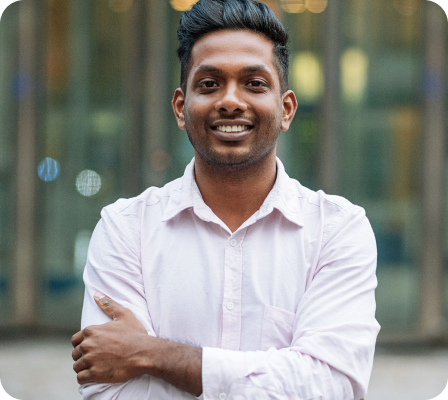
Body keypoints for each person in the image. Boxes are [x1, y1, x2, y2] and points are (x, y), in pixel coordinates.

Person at [71, 0, 380, 399]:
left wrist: (152, 355)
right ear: (181, 108)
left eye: (254, 83)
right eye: (209, 84)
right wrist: (278, 376)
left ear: (285, 110)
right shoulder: (125, 229)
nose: (230, 101)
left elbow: (331, 385)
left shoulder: (337, 230)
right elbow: (110, 390)